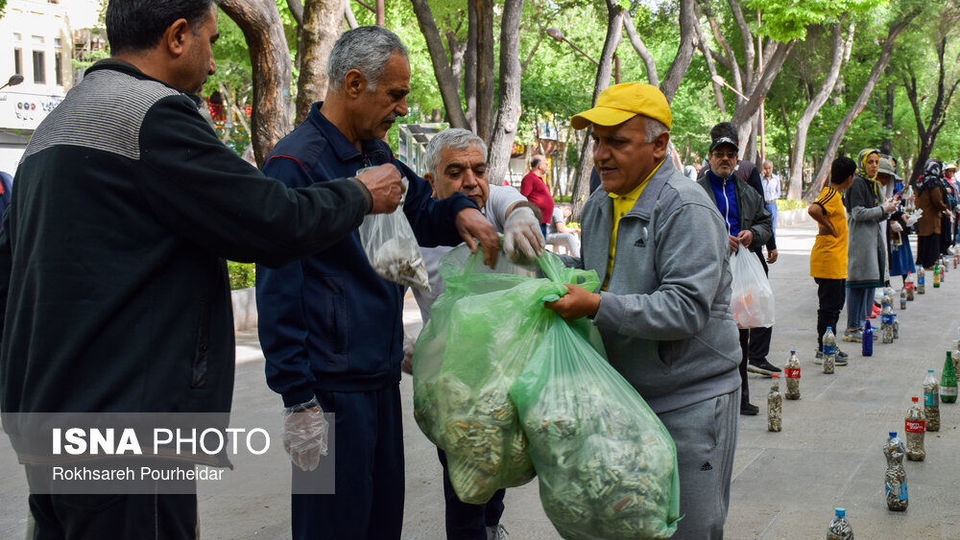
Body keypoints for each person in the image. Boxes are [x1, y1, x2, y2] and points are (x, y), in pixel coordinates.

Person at [0, 2, 409, 538]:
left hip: (47, 418)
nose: (215, 63)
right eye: (211, 41)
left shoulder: (54, 126)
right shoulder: (152, 115)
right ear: (176, 37)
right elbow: (269, 222)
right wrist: (359, 193)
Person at [255, 27, 501, 540]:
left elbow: (422, 211)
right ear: (352, 84)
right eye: (394, 94)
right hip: (325, 396)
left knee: (381, 524)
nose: (403, 108)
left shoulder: (378, 157)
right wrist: (298, 401)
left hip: (379, 381)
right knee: (329, 528)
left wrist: (459, 214)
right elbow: (278, 291)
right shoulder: (295, 166)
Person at [545, 82, 741, 539]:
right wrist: (538, 266)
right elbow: (598, 274)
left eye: (616, 141)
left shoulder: (686, 208)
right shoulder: (599, 205)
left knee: (690, 528)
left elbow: (685, 308)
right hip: (622, 398)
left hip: (690, 399)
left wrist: (594, 305)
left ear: (659, 147)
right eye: (597, 141)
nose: (600, 155)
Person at [412, 128, 543, 540]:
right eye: (455, 172)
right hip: (455, 379)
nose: (471, 181)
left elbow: (516, 203)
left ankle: (491, 524)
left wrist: (523, 218)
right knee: (464, 482)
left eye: (478, 170)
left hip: (509, 372)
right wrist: (411, 353)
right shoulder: (416, 232)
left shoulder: (493, 202)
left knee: (502, 464)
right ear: (431, 182)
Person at [696, 130, 773, 416]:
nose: (725, 159)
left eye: (730, 155)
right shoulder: (696, 191)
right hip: (705, 272)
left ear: (737, 160)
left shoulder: (746, 191)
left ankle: (741, 398)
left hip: (739, 275)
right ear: (709, 158)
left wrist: (753, 233)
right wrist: (717, 238)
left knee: (740, 334)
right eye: (719, 154)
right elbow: (684, 227)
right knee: (706, 333)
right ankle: (707, 399)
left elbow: (766, 222)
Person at [842, 149, 896, 343]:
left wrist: (888, 209)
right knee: (857, 282)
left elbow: (877, 212)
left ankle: (862, 323)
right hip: (860, 240)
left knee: (869, 282)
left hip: (872, 238)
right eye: (870, 162)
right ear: (862, 164)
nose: (874, 165)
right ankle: (852, 327)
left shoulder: (872, 184)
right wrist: (882, 208)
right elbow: (857, 213)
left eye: (876, 162)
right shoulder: (856, 183)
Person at [808, 157, 856, 364]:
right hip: (828, 262)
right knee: (829, 308)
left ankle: (829, 344)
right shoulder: (830, 194)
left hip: (835, 262)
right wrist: (827, 225)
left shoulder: (835, 195)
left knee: (835, 306)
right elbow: (813, 209)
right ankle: (824, 348)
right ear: (849, 178)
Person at [880, 156, 915, 283]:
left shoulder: (898, 183)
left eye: (894, 165)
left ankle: (907, 279)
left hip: (899, 223)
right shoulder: (877, 186)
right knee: (887, 254)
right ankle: (886, 282)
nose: (892, 168)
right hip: (885, 225)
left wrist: (907, 203)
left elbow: (900, 202)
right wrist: (890, 221)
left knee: (903, 253)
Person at [915, 158, 947, 269]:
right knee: (932, 239)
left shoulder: (922, 180)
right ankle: (930, 263)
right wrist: (945, 207)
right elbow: (937, 199)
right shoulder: (933, 182)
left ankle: (922, 261)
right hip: (932, 215)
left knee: (923, 238)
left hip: (922, 215)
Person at [520, 154, 554, 236]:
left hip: (541, 221)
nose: (547, 166)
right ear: (539, 165)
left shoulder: (538, 179)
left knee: (541, 246)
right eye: (546, 163)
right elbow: (523, 197)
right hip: (535, 221)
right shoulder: (529, 178)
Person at [761, 160, 781, 233]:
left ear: (772, 168)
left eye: (769, 168)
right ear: (763, 169)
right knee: (762, 226)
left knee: (772, 227)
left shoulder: (776, 179)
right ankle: (762, 244)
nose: (768, 170)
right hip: (762, 205)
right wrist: (761, 176)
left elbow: (778, 192)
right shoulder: (760, 179)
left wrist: (772, 198)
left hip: (772, 204)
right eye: (766, 168)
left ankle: (773, 244)